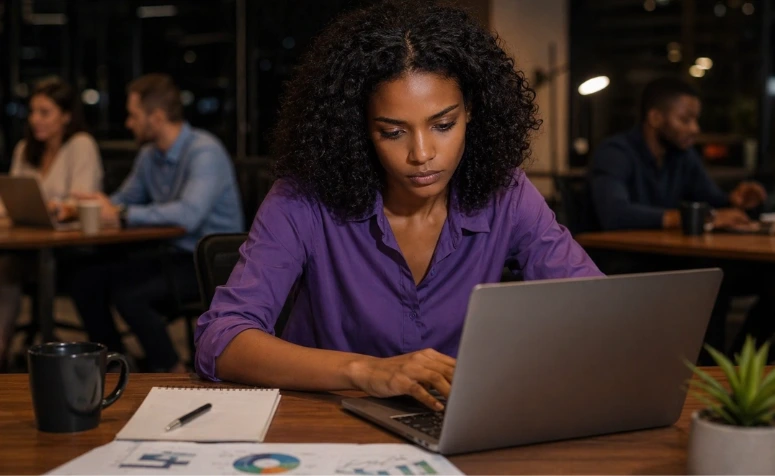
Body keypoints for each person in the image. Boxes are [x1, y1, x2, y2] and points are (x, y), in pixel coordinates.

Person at [195, 1, 603, 410]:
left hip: (453, 421)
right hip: (325, 424)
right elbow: (222, 340)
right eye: (393, 132)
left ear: (471, 111)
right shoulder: (302, 198)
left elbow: (599, 311)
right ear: (359, 127)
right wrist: (366, 371)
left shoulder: (506, 193)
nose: (421, 154)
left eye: (443, 125)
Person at [67, 73, 243, 373]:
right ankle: (115, 364)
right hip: (171, 254)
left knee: (130, 294)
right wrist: (94, 204)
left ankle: (172, 370)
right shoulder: (150, 155)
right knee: (86, 280)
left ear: (157, 118)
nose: (128, 123)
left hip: (211, 263)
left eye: (133, 115)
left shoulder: (204, 151)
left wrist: (121, 214)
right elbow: (124, 200)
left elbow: (188, 215)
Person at [589, 77, 772, 362]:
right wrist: (692, 217)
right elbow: (615, 214)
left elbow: (714, 201)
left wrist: (737, 201)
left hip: (680, 258)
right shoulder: (615, 153)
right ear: (655, 118)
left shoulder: (682, 156)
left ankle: (738, 366)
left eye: (695, 120)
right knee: (710, 280)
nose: (695, 129)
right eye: (685, 119)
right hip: (627, 263)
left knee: (769, 278)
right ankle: (708, 371)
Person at [0, 77, 103, 370]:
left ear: (66, 115)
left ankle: (12, 350)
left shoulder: (81, 145)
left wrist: (59, 208)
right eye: (33, 112)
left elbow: (82, 199)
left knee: (7, 268)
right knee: (5, 264)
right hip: (29, 245)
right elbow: (12, 198)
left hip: (72, 248)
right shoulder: (25, 149)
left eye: (45, 112)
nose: (35, 119)